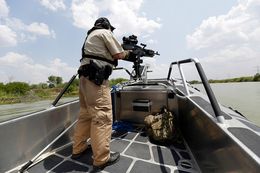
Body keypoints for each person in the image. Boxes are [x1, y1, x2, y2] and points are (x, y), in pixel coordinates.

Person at [71, 17, 129, 171]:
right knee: (102, 117)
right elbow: (119, 55)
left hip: (84, 79)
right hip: (96, 81)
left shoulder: (90, 36)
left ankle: (78, 149)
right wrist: (128, 52)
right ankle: (101, 158)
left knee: (85, 115)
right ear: (107, 26)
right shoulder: (104, 32)